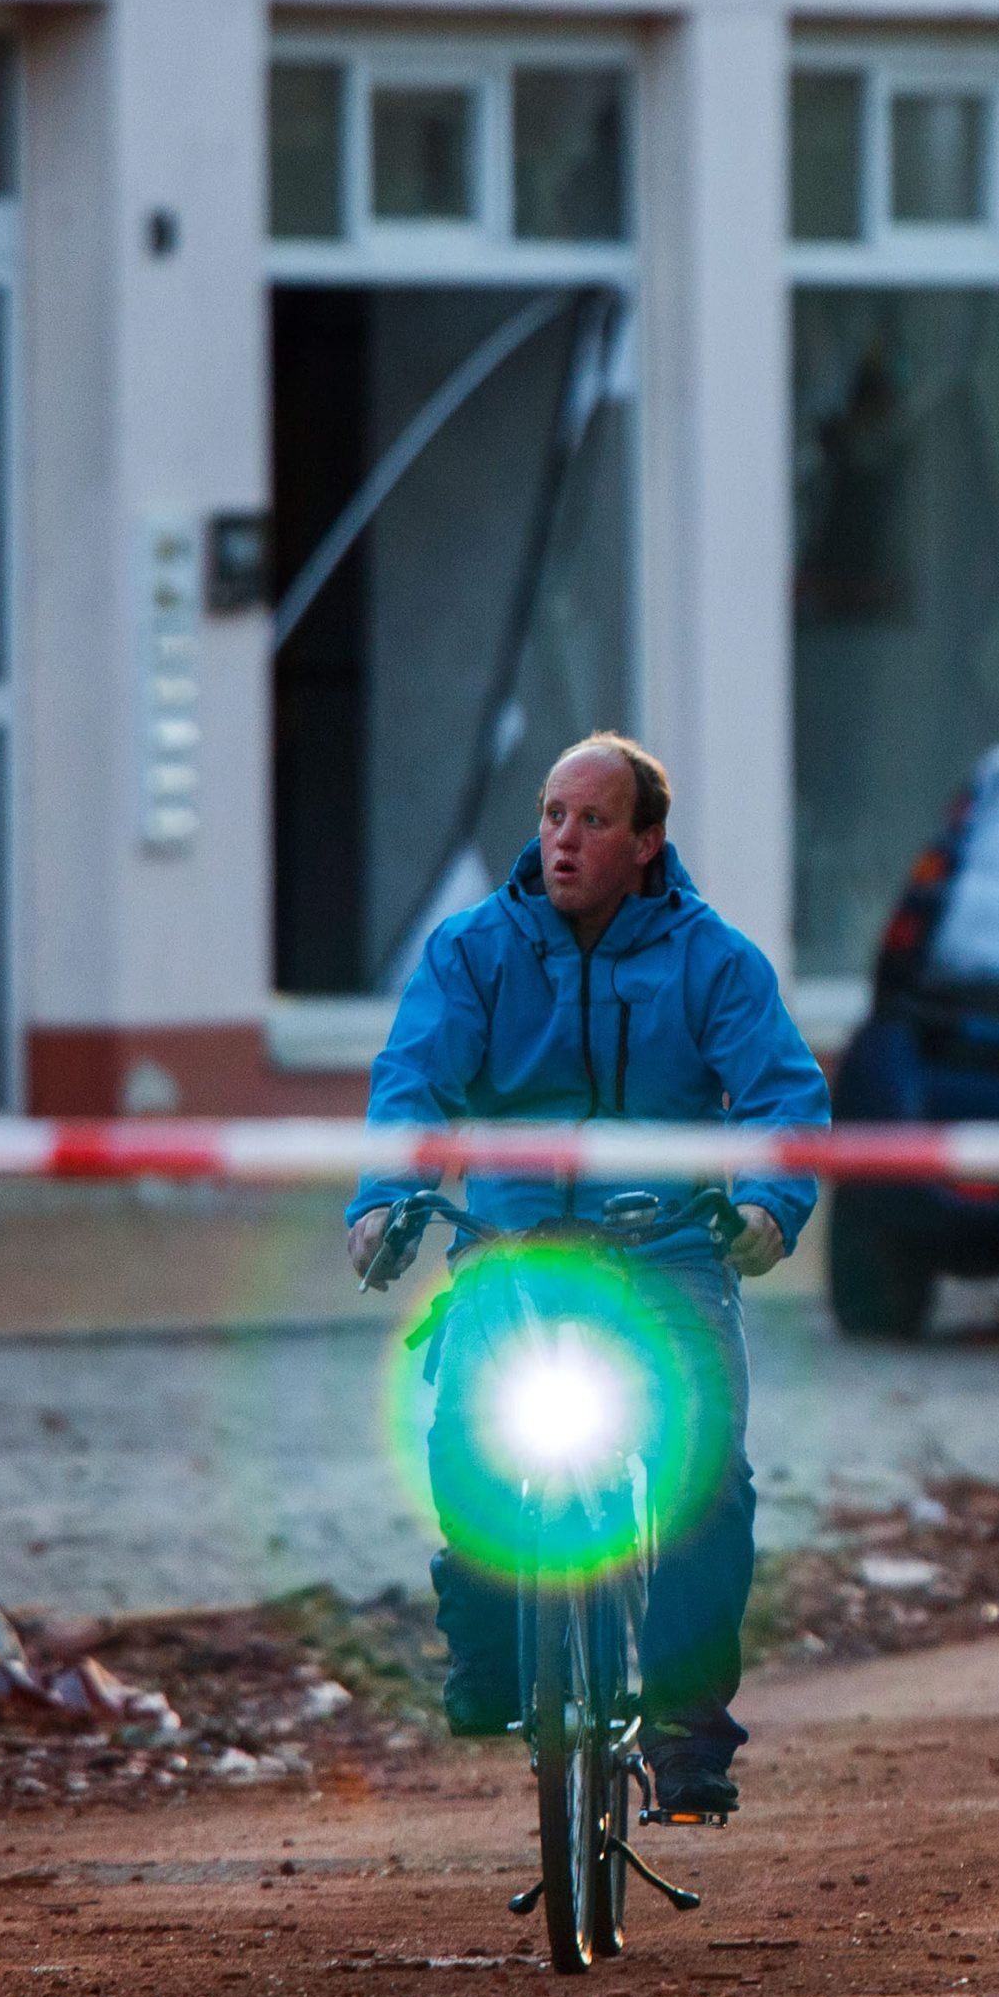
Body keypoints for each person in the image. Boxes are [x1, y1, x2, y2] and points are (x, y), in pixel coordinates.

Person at [344, 732, 826, 1822]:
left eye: (593, 821)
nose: (563, 839)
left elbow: (785, 1103)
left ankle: (691, 1734)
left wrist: (765, 1208)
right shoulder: (471, 953)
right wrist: (384, 1203)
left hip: (669, 1255)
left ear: (646, 843)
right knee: (463, 1432)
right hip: (511, 1255)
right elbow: (413, 1081)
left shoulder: (716, 964)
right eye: (553, 815)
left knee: (707, 1477)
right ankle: (487, 1653)